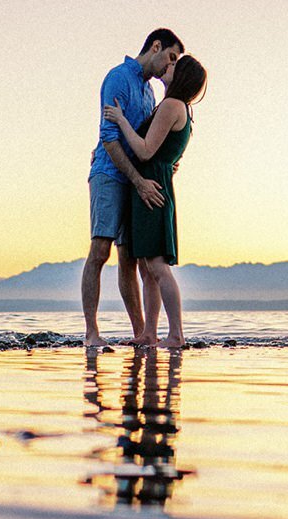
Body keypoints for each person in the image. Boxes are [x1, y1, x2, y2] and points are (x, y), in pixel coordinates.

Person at [82, 29, 183, 348]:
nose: (171, 65)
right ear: (156, 46)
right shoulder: (118, 78)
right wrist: (139, 181)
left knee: (130, 257)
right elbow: (110, 139)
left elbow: (149, 144)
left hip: (136, 181)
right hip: (109, 173)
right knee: (100, 250)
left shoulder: (150, 93)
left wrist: (165, 165)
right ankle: (92, 333)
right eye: (171, 56)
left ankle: (142, 332)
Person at [104, 55, 207, 350]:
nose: (168, 67)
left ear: (182, 75)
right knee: (148, 268)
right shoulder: (180, 108)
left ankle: (176, 335)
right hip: (154, 184)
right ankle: (150, 333)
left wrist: (121, 120)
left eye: (174, 65)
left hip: (151, 186)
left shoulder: (172, 105)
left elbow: (146, 151)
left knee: (158, 267)